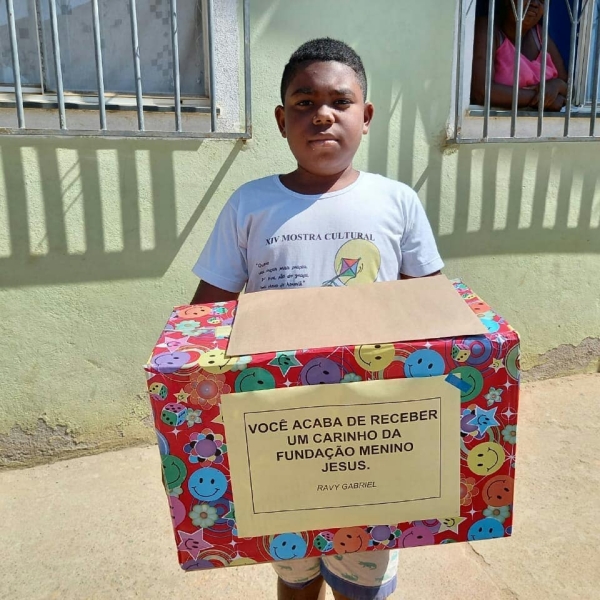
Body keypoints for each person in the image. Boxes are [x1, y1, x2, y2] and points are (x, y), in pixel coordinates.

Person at [190, 38, 444, 600]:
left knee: (362, 581)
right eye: (304, 102)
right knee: (295, 573)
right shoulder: (250, 204)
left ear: (365, 116)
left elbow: (434, 313)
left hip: (373, 434)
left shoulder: (397, 201)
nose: (322, 115)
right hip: (280, 432)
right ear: (282, 120)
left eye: (340, 101)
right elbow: (206, 318)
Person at [471, 0, 568, 111]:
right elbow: (481, 91)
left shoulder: (540, 35)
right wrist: (542, 99)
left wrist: (557, 85)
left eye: (542, 0)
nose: (535, 3)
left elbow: (568, 86)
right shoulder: (488, 28)